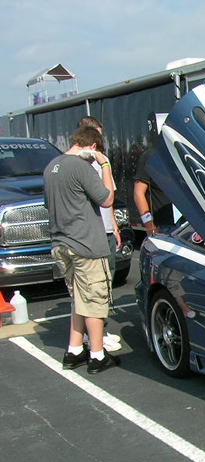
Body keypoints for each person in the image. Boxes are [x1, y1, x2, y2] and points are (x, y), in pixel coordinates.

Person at [45, 126, 120, 374]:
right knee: (94, 301)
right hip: (86, 244)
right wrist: (105, 166)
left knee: (78, 299)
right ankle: (97, 355)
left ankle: (74, 349)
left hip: (61, 243)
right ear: (92, 147)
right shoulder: (81, 167)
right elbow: (107, 198)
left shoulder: (51, 167)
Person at [77, 116, 122, 352]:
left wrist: (114, 226)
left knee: (107, 282)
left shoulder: (103, 162)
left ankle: (99, 330)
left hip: (105, 229)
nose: (100, 139)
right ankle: (96, 334)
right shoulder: (81, 165)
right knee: (93, 285)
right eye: (96, 134)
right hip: (90, 233)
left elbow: (109, 199)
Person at [133, 114, 173, 235]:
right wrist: (149, 225)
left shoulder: (177, 153)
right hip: (163, 224)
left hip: (186, 223)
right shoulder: (150, 156)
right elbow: (138, 193)